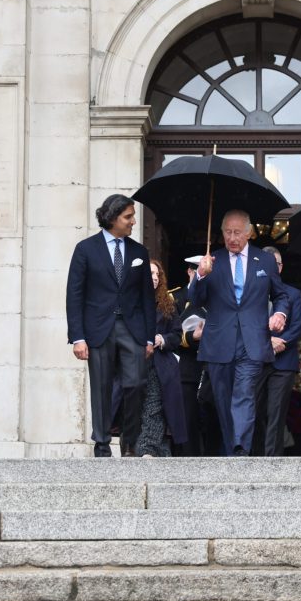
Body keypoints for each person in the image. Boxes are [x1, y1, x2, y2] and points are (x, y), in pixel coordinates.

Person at [189, 209, 290, 456]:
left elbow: (281, 295)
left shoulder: (264, 261)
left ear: (248, 233)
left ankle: (241, 448)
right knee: (223, 402)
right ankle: (233, 450)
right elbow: (195, 299)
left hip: (252, 341)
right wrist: (201, 275)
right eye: (227, 232)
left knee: (244, 393)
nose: (232, 237)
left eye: (237, 232)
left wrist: (279, 314)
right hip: (219, 341)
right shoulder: (213, 260)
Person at [65, 194, 155, 457]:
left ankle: (130, 442)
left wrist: (149, 337)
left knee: (136, 383)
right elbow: (74, 294)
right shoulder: (85, 249)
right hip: (98, 329)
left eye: (133, 216)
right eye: (128, 216)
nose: (133, 222)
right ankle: (102, 443)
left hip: (133, 329)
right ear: (112, 217)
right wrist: (77, 337)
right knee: (101, 386)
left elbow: (147, 298)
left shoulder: (140, 252)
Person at [253, 246, 301, 457]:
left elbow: (298, 325)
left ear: (281, 268)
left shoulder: (293, 294)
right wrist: (266, 342)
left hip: (283, 363)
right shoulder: (251, 292)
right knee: (253, 412)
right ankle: (255, 457)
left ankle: (272, 460)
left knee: (276, 413)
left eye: (277, 264)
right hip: (255, 361)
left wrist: (279, 341)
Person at [138, 260, 188, 457]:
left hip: (160, 365)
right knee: (136, 407)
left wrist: (162, 339)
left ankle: (147, 449)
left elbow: (177, 335)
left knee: (155, 405)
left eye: (157, 274)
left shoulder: (168, 304)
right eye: (150, 273)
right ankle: (159, 450)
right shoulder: (128, 301)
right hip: (134, 362)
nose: (155, 278)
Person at [172, 255, 210, 456]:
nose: (201, 275)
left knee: (211, 419)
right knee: (187, 420)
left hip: (211, 365)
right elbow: (168, 334)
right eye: (196, 271)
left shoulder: (215, 296)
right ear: (189, 272)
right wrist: (191, 336)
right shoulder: (175, 298)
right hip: (186, 366)